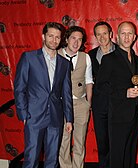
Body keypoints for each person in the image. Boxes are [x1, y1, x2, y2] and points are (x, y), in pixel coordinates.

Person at [14, 22, 73, 168]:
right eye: (51, 36)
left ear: (61, 39)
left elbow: (66, 93)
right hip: (33, 117)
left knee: (52, 159)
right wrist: (24, 115)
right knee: (31, 158)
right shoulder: (29, 58)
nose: (54, 40)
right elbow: (19, 88)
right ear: (43, 36)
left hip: (55, 116)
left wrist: (69, 118)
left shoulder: (64, 63)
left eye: (57, 37)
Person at [96, 21, 138, 168]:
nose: (126, 36)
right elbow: (101, 86)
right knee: (117, 156)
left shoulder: (137, 59)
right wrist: (124, 93)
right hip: (117, 115)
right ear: (117, 36)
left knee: (131, 154)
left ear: (135, 37)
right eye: (123, 33)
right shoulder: (109, 59)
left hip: (134, 115)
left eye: (130, 33)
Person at [58, 26, 93, 168]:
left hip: (80, 103)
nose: (76, 42)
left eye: (79, 39)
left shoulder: (86, 57)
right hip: (61, 104)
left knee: (80, 141)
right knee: (63, 141)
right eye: (73, 38)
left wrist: (88, 103)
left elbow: (89, 81)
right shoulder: (56, 55)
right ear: (66, 39)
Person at [88, 21, 116, 168]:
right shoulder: (90, 56)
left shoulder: (120, 52)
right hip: (99, 106)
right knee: (102, 142)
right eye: (98, 34)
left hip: (118, 105)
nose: (102, 37)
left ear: (111, 34)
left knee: (117, 141)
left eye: (105, 33)